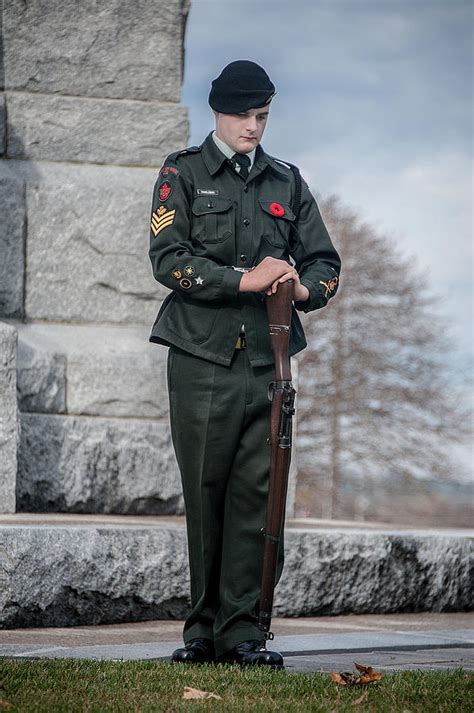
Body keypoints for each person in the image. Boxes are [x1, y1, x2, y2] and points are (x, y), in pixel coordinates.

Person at [148, 60, 341, 668]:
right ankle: (201, 631)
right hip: (200, 356)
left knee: (259, 495)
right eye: (244, 115)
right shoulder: (181, 173)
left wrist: (303, 289)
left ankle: (246, 632)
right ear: (218, 112)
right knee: (205, 490)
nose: (254, 127)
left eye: (262, 116)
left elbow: (326, 264)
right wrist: (242, 279)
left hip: (268, 359)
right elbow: (167, 259)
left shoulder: (286, 181)